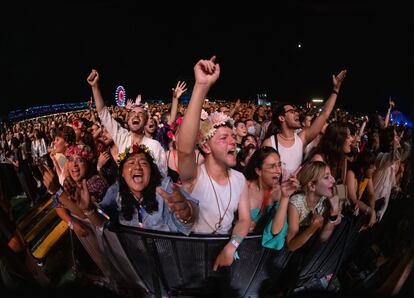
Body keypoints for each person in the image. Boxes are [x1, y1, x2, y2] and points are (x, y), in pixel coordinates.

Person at [177, 56, 251, 271]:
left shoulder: (240, 179)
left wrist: (232, 246)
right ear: (206, 148)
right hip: (192, 257)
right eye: (223, 138)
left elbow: (244, 220)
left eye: (233, 136)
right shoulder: (194, 177)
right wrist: (201, 86)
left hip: (225, 255)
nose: (232, 141)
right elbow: (184, 149)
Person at [76, 144, 197, 235]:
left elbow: (191, 213)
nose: (137, 166)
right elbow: (103, 224)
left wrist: (187, 213)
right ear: (122, 173)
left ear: (151, 171)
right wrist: (89, 210)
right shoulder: (115, 192)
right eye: (131, 163)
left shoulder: (165, 188)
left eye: (143, 163)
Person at [262, 70, 347, 179]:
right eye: (292, 112)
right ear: (281, 118)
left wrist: (335, 90)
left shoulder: (302, 138)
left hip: (295, 194)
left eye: (296, 111)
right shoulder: (270, 143)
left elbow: (324, 114)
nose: (296, 113)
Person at [87, 69, 167, 177]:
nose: (136, 115)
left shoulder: (155, 146)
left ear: (145, 121)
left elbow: (163, 176)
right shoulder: (122, 137)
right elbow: (104, 114)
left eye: (141, 114)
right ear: (128, 120)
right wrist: (95, 87)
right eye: (133, 113)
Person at [245, 147, 299, 250]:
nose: (278, 171)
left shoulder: (280, 192)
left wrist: (285, 197)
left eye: (279, 165)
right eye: (272, 166)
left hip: (262, 252)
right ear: (258, 171)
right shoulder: (244, 188)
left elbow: (276, 231)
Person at [286, 161, 342, 252]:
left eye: (331, 176)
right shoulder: (296, 202)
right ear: (312, 186)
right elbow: (291, 246)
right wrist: (313, 227)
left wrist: (334, 213)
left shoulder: (324, 201)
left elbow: (323, 238)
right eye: (326, 177)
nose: (333, 180)